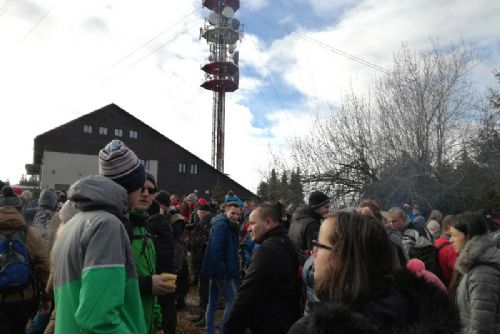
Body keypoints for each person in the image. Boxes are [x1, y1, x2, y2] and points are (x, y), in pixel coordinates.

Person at [288, 211, 461, 333]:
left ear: (343, 257)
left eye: (319, 245)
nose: (314, 253)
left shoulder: (311, 329)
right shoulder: (419, 309)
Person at [51, 140, 148, 333]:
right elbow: (97, 319)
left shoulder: (73, 222)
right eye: (140, 185)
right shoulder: (106, 226)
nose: (144, 191)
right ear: (131, 185)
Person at [225, 203, 300, 334]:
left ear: (268, 222)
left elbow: (247, 293)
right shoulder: (286, 242)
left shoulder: (267, 250)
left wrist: (230, 329)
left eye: (253, 223)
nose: (248, 228)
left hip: (271, 324)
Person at [0, 186, 50, 334]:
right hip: (25, 298)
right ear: (20, 208)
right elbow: (44, 268)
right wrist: (47, 297)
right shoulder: (30, 233)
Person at [128, 172, 173, 334]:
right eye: (141, 188)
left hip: (145, 325)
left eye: (151, 190)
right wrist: (148, 284)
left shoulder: (146, 232)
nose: (145, 194)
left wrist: (157, 324)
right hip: (124, 324)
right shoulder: (119, 229)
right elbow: (109, 285)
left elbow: (153, 285)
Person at [450, 213, 500, 332]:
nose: (450, 240)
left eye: (454, 235)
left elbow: (482, 329)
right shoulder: (475, 265)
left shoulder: (482, 274)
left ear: (468, 236)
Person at [201, 202, 241, 334]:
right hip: (221, 270)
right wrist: (221, 273)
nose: (235, 216)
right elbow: (216, 250)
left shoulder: (228, 225)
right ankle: (224, 330)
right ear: (225, 212)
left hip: (218, 268)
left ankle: (210, 330)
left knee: (213, 301)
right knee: (232, 300)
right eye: (233, 213)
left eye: (237, 214)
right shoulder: (222, 225)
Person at [147, 190, 177, 334]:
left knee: (160, 304)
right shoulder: (167, 223)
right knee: (169, 304)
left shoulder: (151, 224)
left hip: (158, 271)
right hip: (170, 269)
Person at [435, 215, 457, 287]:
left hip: (437, 284)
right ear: (449, 227)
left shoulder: (435, 242)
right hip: (448, 286)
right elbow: (456, 274)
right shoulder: (452, 247)